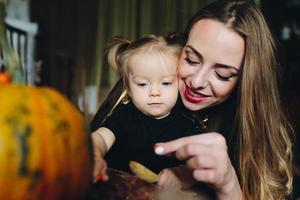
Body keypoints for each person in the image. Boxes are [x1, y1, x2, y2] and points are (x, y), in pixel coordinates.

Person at [91, 1, 293, 199]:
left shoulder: (245, 133)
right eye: (191, 59)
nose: (196, 82)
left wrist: (229, 187)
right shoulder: (143, 82)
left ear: (246, 82)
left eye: (222, 74)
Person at [91, 34, 200, 189]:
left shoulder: (187, 123)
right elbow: (101, 137)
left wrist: (183, 175)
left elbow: (199, 164)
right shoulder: (124, 116)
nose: (155, 92)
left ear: (180, 84)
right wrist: (94, 155)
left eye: (166, 83)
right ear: (129, 88)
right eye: (142, 84)